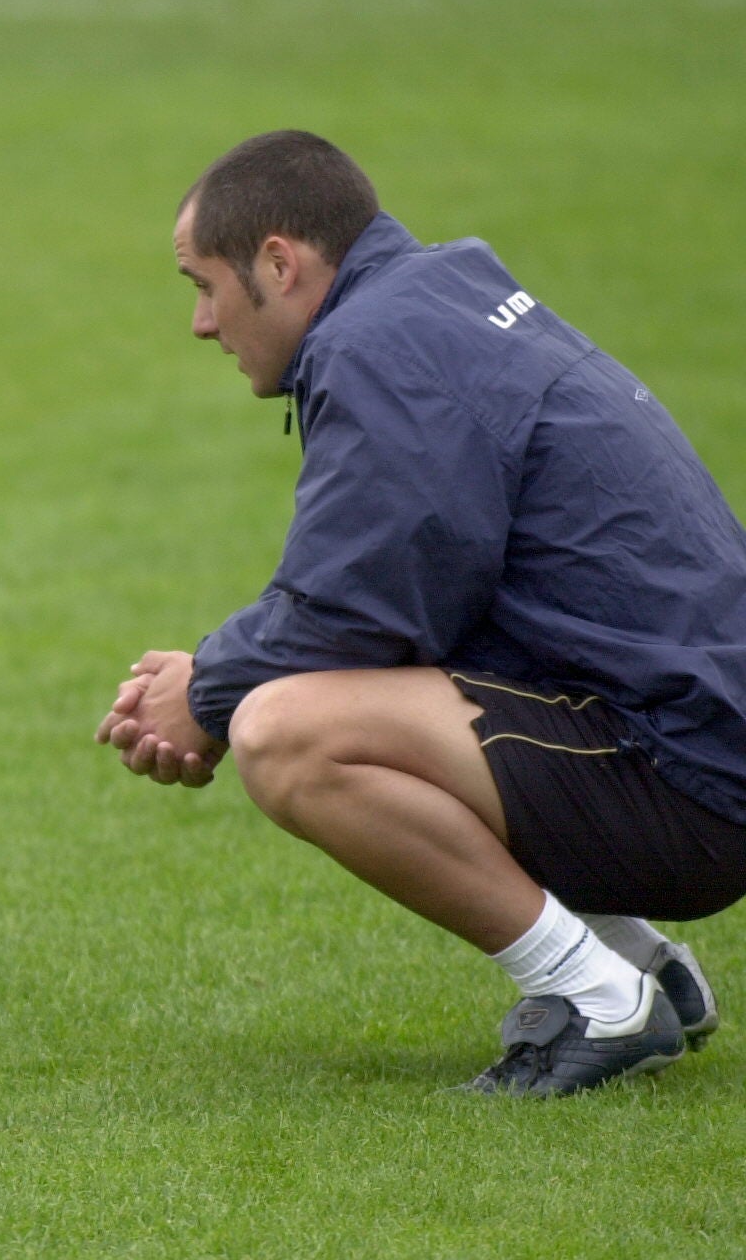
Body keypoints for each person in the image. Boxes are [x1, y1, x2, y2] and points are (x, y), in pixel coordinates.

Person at [95, 130, 746, 1096]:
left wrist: (211, 689)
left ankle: (602, 1002)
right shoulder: (432, 297)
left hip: (690, 784)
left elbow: (353, 605)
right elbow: (411, 601)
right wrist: (216, 676)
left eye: (203, 284)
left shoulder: (380, 343)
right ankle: (644, 969)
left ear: (279, 261)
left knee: (287, 731)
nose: (200, 322)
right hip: (694, 739)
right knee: (311, 690)